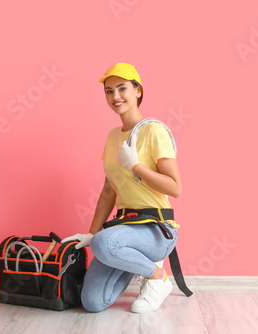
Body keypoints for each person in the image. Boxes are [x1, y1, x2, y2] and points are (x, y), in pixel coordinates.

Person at [62, 62, 182, 313]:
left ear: (138, 91)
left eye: (122, 88)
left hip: (157, 229)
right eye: (108, 91)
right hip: (124, 230)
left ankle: (157, 277)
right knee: (92, 303)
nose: (115, 96)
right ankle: (132, 260)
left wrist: (136, 166)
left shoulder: (154, 131)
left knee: (105, 244)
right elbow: (108, 191)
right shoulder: (112, 136)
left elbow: (175, 187)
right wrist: (91, 234)